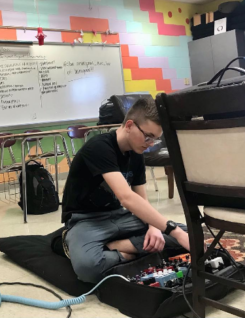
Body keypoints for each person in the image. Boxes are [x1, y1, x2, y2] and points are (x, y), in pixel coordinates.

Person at [61, 97, 190, 283]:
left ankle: (116, 246)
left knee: (187, 233)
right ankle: (128, 253)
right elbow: (127, 198)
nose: (150, 143)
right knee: (88, 267)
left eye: (155, 138)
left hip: (120, 218)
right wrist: (172, 231)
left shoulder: (136, 153)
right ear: (129, 125)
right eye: (148, 136)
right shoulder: (99, 147)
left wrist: (153, 227)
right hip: (87, 221)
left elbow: (141, 199)